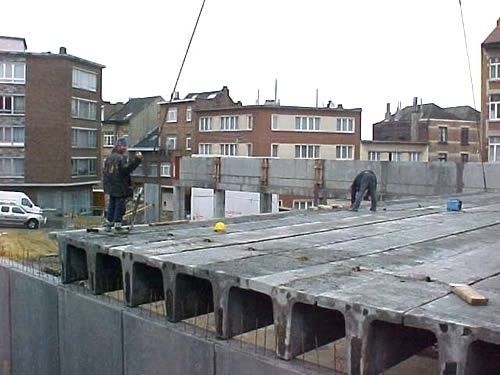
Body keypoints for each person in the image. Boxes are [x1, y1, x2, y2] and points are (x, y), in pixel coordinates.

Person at [103, 137, 143, 232]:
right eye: (124, 146)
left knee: (112, 203)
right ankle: (117, 225)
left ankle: (109, 224)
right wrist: (137, 160)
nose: (125, 148)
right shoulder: (121, 158)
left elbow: (105, 172)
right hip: (119, 186)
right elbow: (126, 170)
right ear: (119, 146)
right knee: (119, 205)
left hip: (110, 185)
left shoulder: (109, 157)